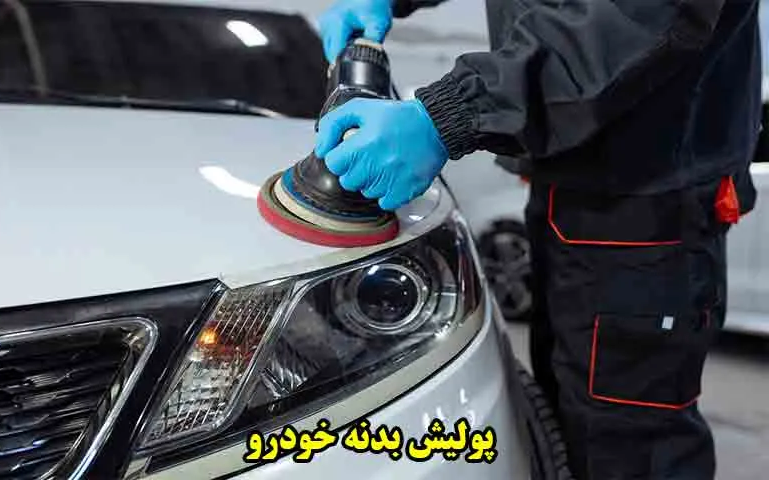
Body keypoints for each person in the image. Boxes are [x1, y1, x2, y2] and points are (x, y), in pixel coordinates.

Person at [314, 0, 761, 478]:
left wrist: (451, 114)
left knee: (626, 448)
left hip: (646, 203)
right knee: (567, 422)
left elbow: (635, 15)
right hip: (572, 182)